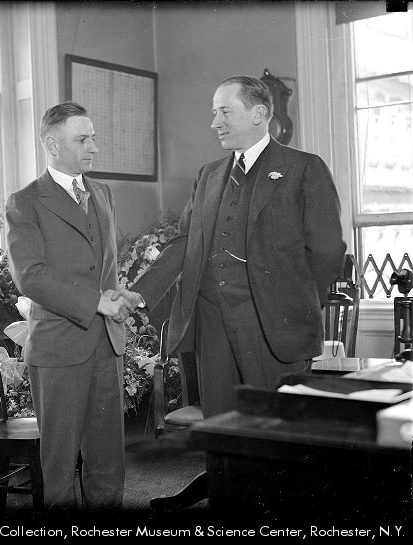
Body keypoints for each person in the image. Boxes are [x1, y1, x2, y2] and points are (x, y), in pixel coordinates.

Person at [123, 75, 347, 418]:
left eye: (225, 112)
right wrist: (139, 294)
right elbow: (185, 243)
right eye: (214, 113)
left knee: (277, 430)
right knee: (222, 431)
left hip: (276, 331)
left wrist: (292, 302)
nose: (215, 123)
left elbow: (328, 252)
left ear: (258, 114)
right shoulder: (208, 175)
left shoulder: (304, 168)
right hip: (212, 329)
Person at [5, 102, 136, 512]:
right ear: (51, 143)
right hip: (58, 346)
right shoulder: (25, 202)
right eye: (82, 139)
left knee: (108, 462)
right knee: (59, 465)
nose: (93, 147)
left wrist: (118, 298)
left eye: (93, 138)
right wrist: (96, 302)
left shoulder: (102, 192)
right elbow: (31, 276)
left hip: (107, 344)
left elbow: (105, 267)